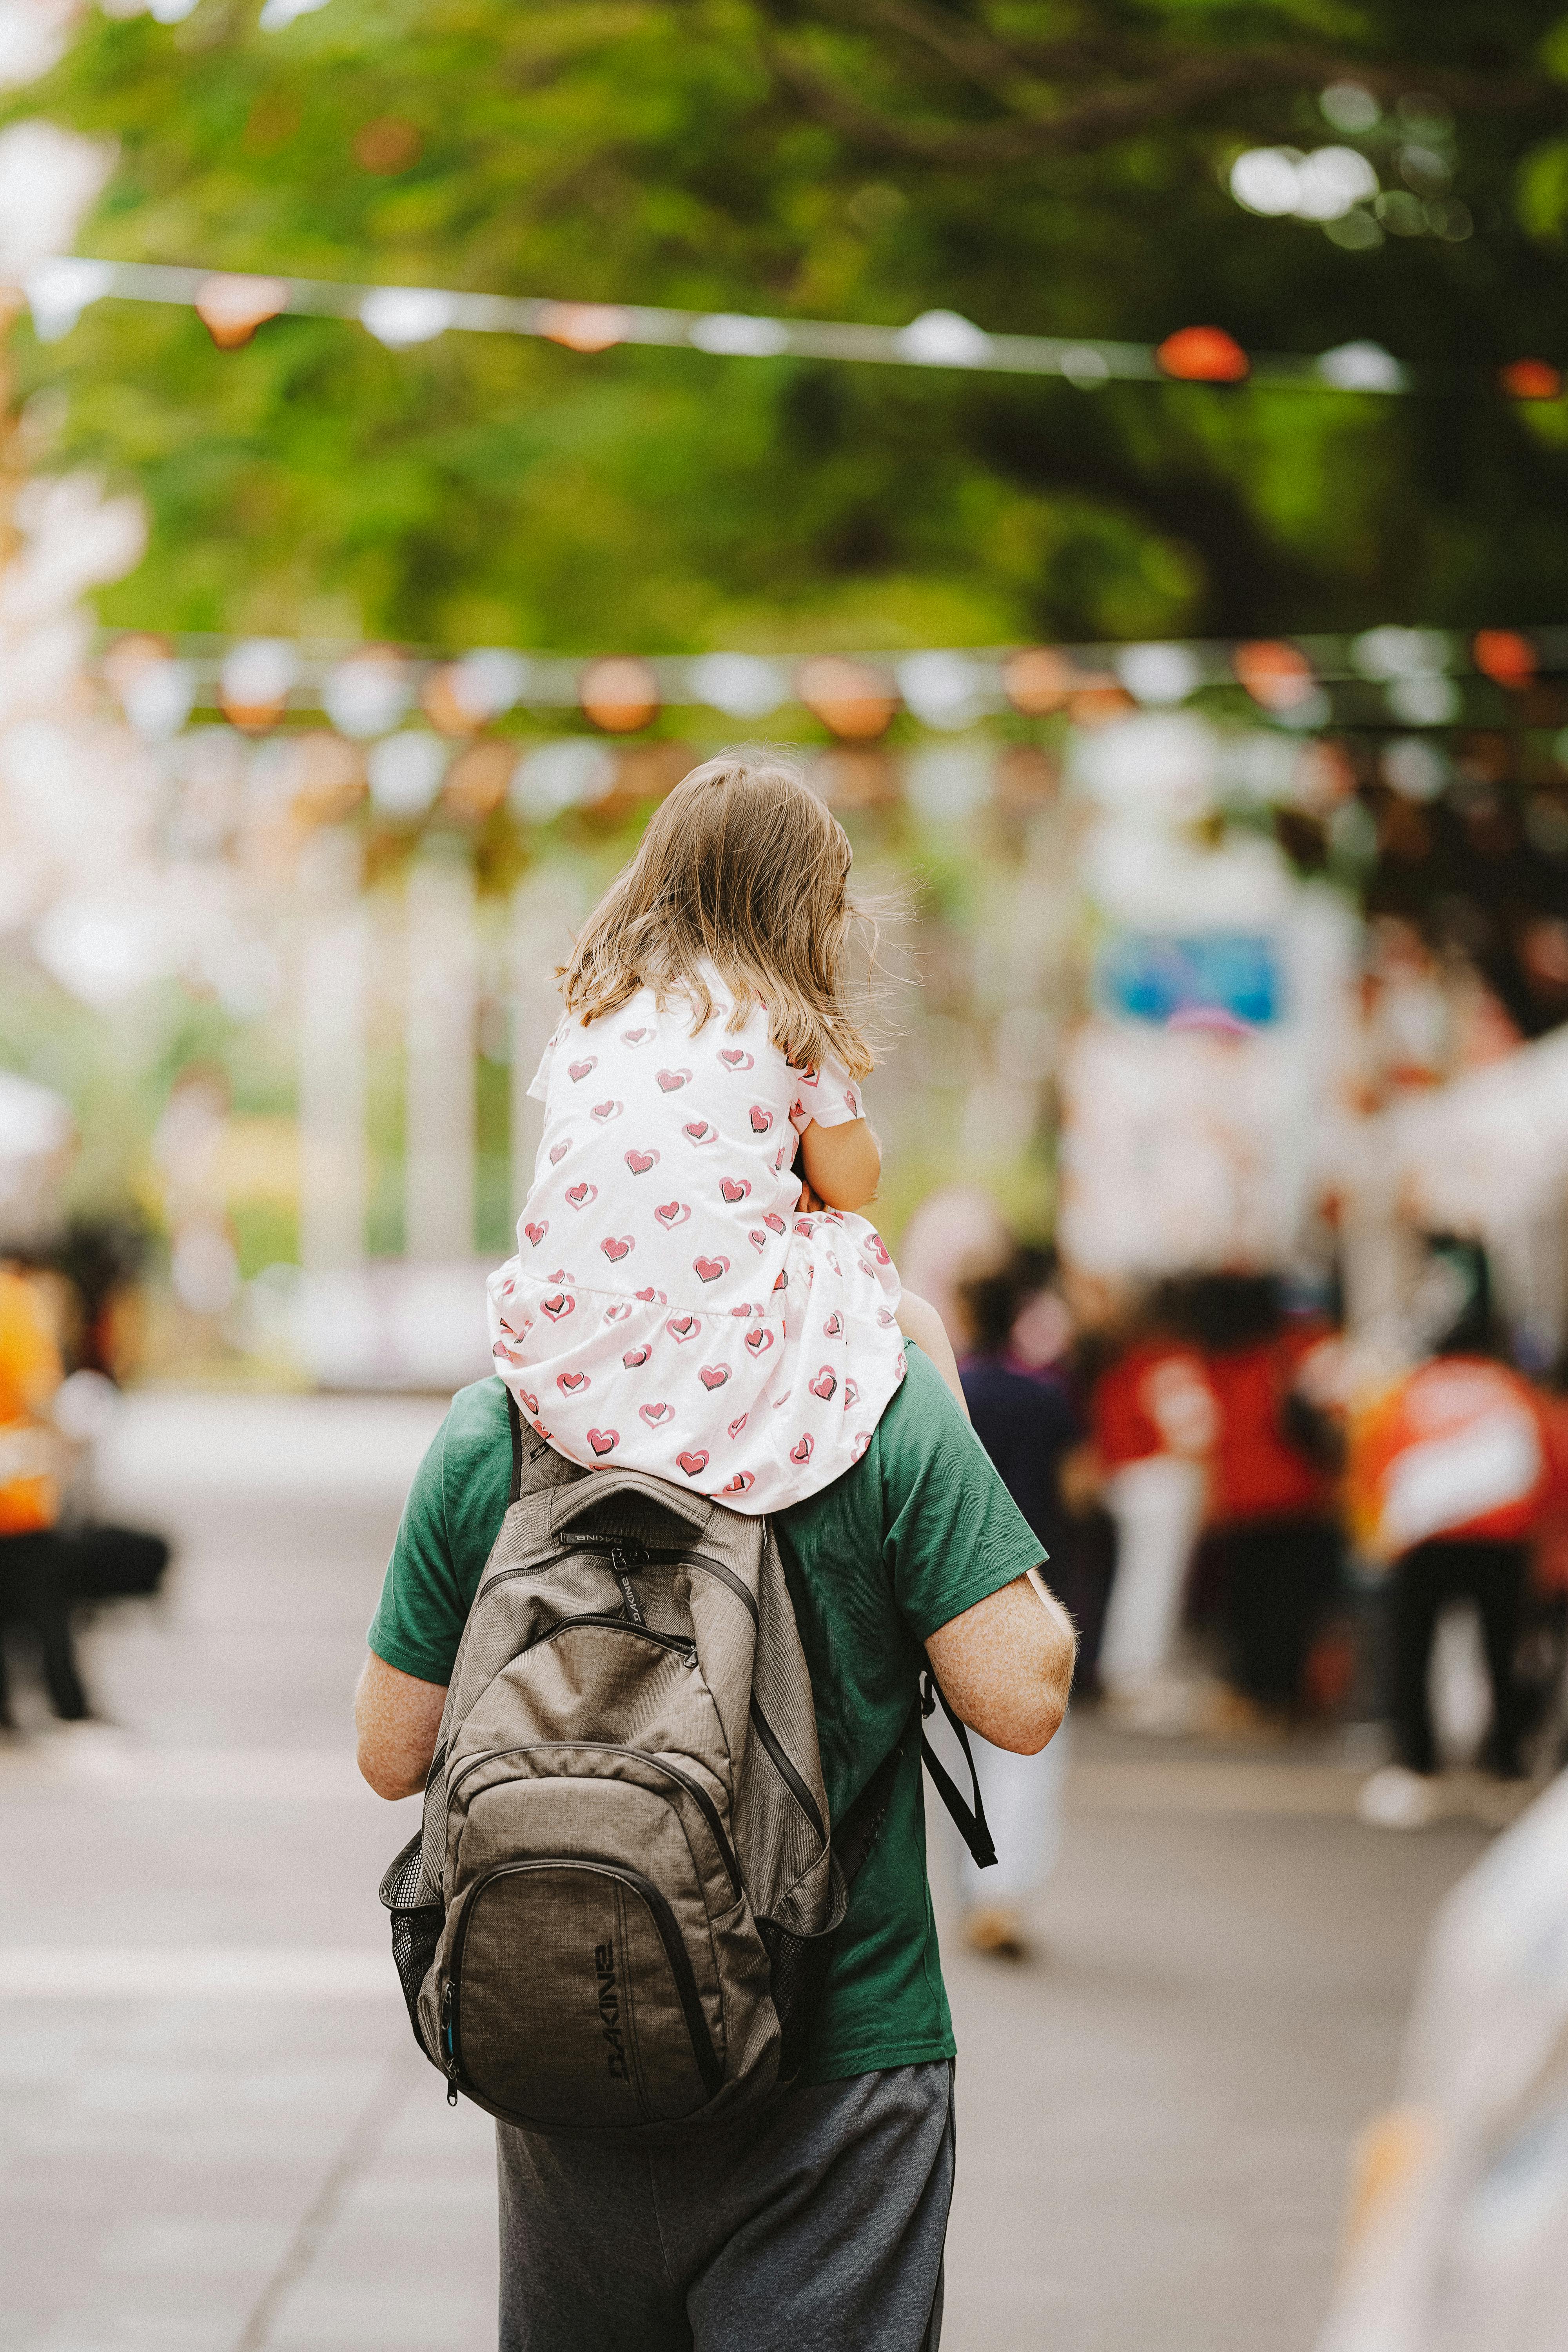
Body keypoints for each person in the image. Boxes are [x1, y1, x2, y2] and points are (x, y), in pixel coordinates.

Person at [356, 1338, 1076, 2350]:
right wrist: (945, 1405)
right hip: (838, 2059)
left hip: (578, 2027)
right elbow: (1023, 1698)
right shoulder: (880, 1402)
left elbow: (392, 1753)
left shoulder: (503, 1420)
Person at [486, 749, 964, 1515]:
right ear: (800, 905)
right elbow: (856, 1185)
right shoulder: (784, 1017)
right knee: (900, 1300)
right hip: (718, 1346)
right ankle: (960, 1532)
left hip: (563, 1331)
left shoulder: (592, 1010)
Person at [1348, 1274, 1547, 1829]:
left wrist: (1377, 1535)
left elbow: (1376, 1462)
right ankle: (1505, 1769)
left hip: (1425, 1543)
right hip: (1502, 1543)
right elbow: (1545, 1464)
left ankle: (1418, 1768)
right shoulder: (1512, 1389)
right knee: (1502, 1654)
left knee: (1412, 1653)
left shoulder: (1411, 1390)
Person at [944, 1252, 1083, 1960]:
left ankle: (964, 1890)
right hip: (1032, 1584)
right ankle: (998, 1894)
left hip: (944, 1590)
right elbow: (1083, 1488)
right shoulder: (1049, 1397)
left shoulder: (943, 1389)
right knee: (1024, 1752)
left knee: (944, 1749)